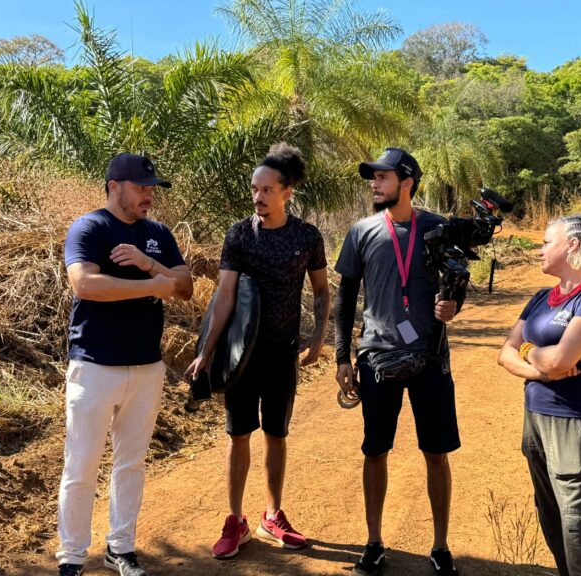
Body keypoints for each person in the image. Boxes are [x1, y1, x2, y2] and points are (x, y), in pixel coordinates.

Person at [185, 143, 330, 560]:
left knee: (277, 435)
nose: (257, 196)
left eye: (266, 190)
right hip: (241, 356)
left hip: (283, 354)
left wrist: (318, 337)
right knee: (238, 434)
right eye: (254, 189)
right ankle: (235, 520)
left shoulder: (306, 236)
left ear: (287, 192)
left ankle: (272, 515)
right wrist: (207, 352)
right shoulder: (239, 235)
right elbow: (225, 297)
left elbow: (321, 291)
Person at [57, 153, 194, 576]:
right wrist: (153, 287)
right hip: (95, 366)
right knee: (81, 464)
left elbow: (185, 288)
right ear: (115, 186)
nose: (148, 195)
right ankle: (72, 555)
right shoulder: (90, 227)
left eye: (152, 187)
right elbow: (85, 284)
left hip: (146, 368)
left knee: (130, 463)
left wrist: (151, 265)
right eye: (141, 187)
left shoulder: (158, 233)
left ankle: (121, 547)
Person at [334, 148, 462, 576]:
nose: (374, 184)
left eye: (382, 177)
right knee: (375, 451)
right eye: (373, 178)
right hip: (377, 358)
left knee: (436, 453)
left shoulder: (437, 228)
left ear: (406, 182)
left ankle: (441, 547)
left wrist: (452, 305)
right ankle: (374, 543)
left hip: (431, 356)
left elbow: (457, 281)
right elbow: (345, 297)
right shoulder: (362, 231)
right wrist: (342, 357)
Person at [497, 214, 581, 576]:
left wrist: (533, 354)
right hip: (536, 419)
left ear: (572, 245)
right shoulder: (540, 298)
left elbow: (562, 359)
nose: (539, 250)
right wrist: (538, 364)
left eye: (546, 242)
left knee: (579, 530)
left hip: (579, 425)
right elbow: (505, 352)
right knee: (551, 517)